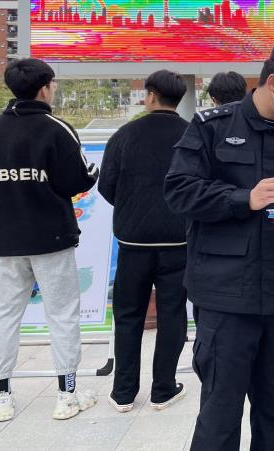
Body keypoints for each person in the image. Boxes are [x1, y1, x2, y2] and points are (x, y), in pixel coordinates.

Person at [165, 33, 274, 451]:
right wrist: (244, 198)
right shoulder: (212, 128)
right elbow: (178, 191)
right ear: (272, 82)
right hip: (226, 300)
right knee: (220, 416)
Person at [0, 58, 100, 422]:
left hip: (6, 240)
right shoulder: (56, 129)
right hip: (51, 239)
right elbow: (79, 179)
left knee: (3, 317)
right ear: (44, 88)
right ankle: (66, 395)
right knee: (62, 315)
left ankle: (1, 397)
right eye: (53, 84)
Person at [99, 70, 189, 413]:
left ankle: (123, 392)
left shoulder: (125, 135)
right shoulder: (192, 134)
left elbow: (107, 185)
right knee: (172, 315)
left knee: (127, 315)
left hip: (133, 244)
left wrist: (130, 208)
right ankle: (163, 389)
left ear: (150, 95)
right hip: (178, 242)